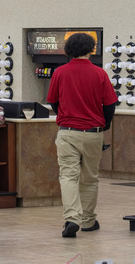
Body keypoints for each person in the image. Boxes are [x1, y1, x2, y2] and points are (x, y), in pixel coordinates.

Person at [46, 32, 117, 238]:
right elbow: (110, 104)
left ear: (69, 50)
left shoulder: (60, 72)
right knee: (90, 178)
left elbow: (53, 101)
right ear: (91, 49)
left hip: (68, 132)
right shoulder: (99, 73)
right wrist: (104, 125)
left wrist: (64, 115)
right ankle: (88, 220)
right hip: (93, 132)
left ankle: (71, 219)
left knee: (68, 175)